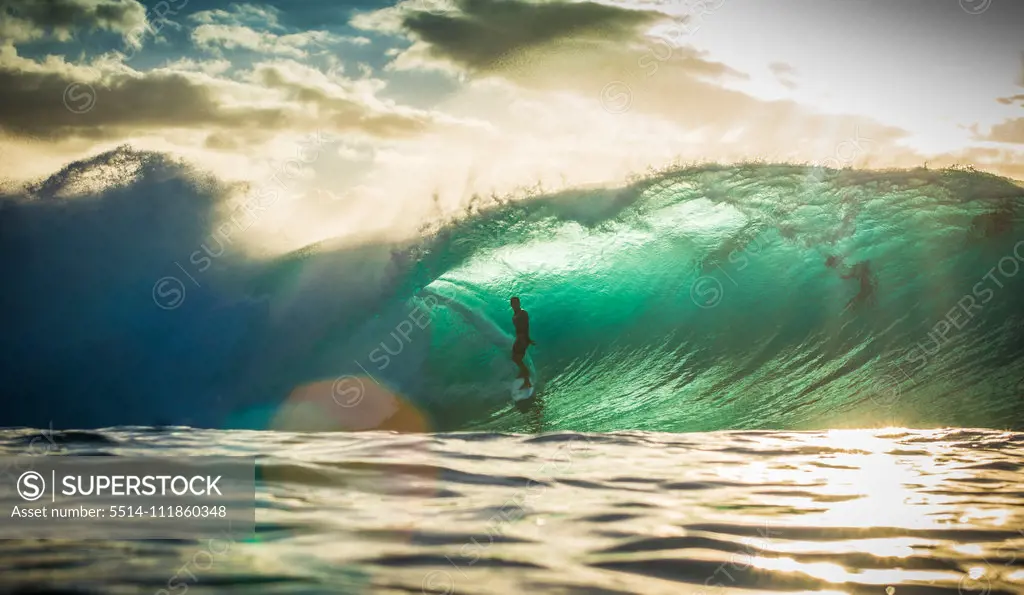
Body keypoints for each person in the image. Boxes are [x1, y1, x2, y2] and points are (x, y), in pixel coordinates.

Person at [510, 296, 535, 388]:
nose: (514, 305)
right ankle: (524, 374)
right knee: (515, 358)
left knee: (517, 359)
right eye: (513, 303)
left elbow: (526, 327)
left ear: (519, 303)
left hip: (522, 339)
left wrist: (527, 339)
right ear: (511, 305)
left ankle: (527, 380)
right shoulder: (515, 315)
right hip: (519, 339)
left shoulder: (523, 313)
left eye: (516, 303)